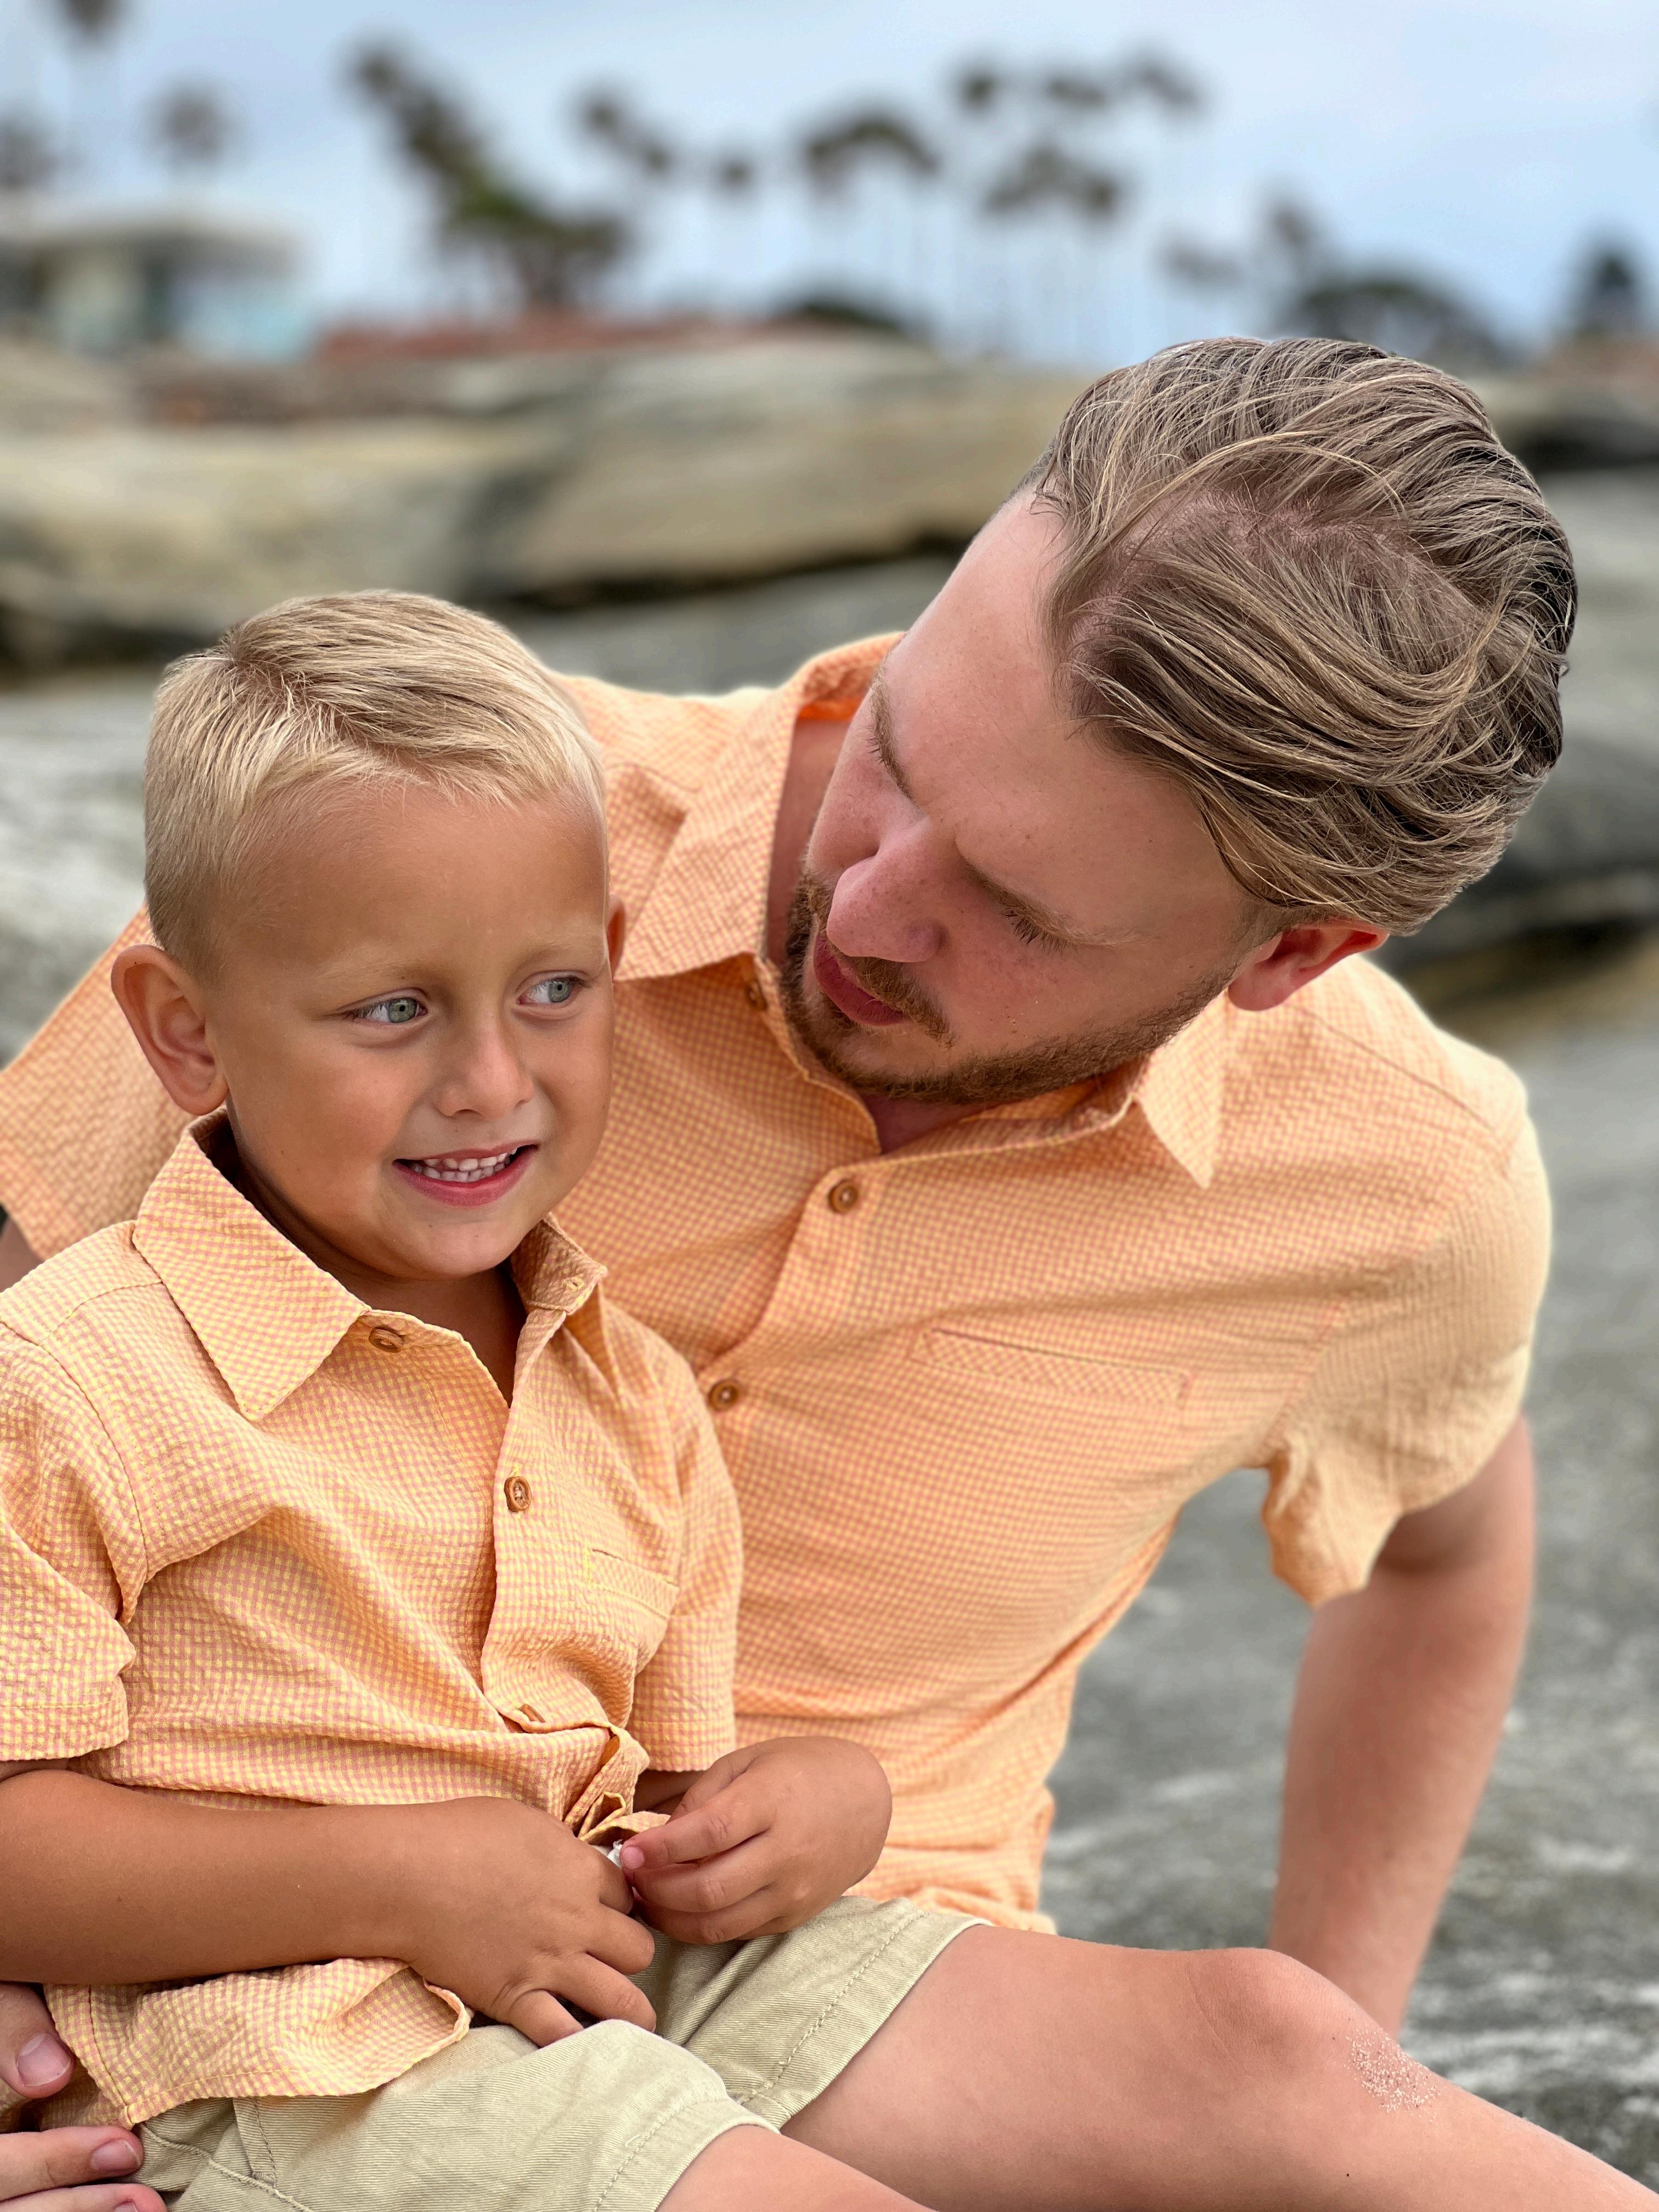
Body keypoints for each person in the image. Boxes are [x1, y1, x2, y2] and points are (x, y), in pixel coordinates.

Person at [0, 340, 1606, 2186]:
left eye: (1014, 910)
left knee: (1292, 2059)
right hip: (263, 1997)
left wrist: (1346, 2013)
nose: (872, 898)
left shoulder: (1404, 1177)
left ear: (1293, 955)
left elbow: (1446, 1549)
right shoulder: (419, 855)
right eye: (897, 752)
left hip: (814, 1970)